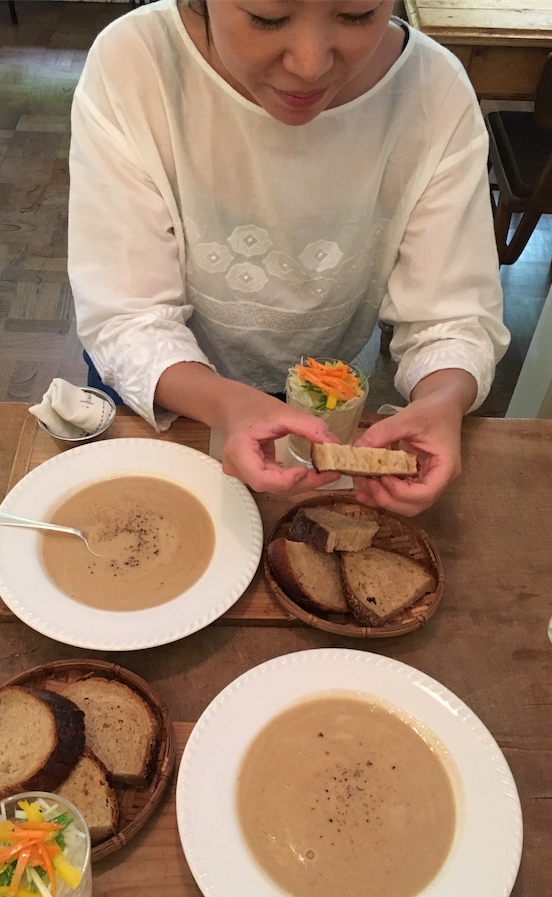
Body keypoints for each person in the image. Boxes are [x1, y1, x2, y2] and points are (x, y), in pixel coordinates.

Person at [68, 0, 509, 514]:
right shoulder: (136, 64)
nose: (310, 64)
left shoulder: (434, 91)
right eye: (267, 18)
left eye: (358, 15)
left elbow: (452, 317)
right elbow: (128, 315)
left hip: (327, 391)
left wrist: (443, 400)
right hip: (166, 387)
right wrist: (226, 403)